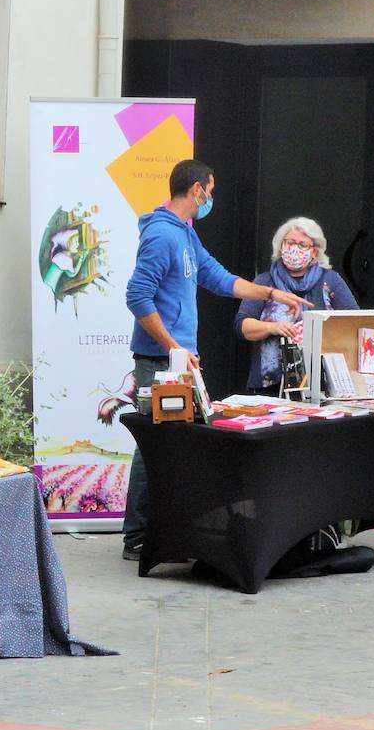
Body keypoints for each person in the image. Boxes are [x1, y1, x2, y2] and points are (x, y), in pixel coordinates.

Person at [122, 159, 309, 561]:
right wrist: (173, 347)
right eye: (210, 190)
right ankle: (137, 536)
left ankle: (163, 530)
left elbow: (221, 279)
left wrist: (272, 294)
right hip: (161, 360)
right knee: (155, 445)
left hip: (178, 359)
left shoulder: (186, 235)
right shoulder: (162, 234)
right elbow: (137, 296)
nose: (211, 198)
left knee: (173, 447)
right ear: (196, 190)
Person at [235, 216, 358, 396]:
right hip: (270, 385)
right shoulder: (264, 282)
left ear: (314, 252)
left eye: (302, 245)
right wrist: (272, 327)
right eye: (290, 243)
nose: (295, 249)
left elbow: (355, 321)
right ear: (281, 246)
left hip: (322, 383)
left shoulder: (330, 281)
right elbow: (242, 325)